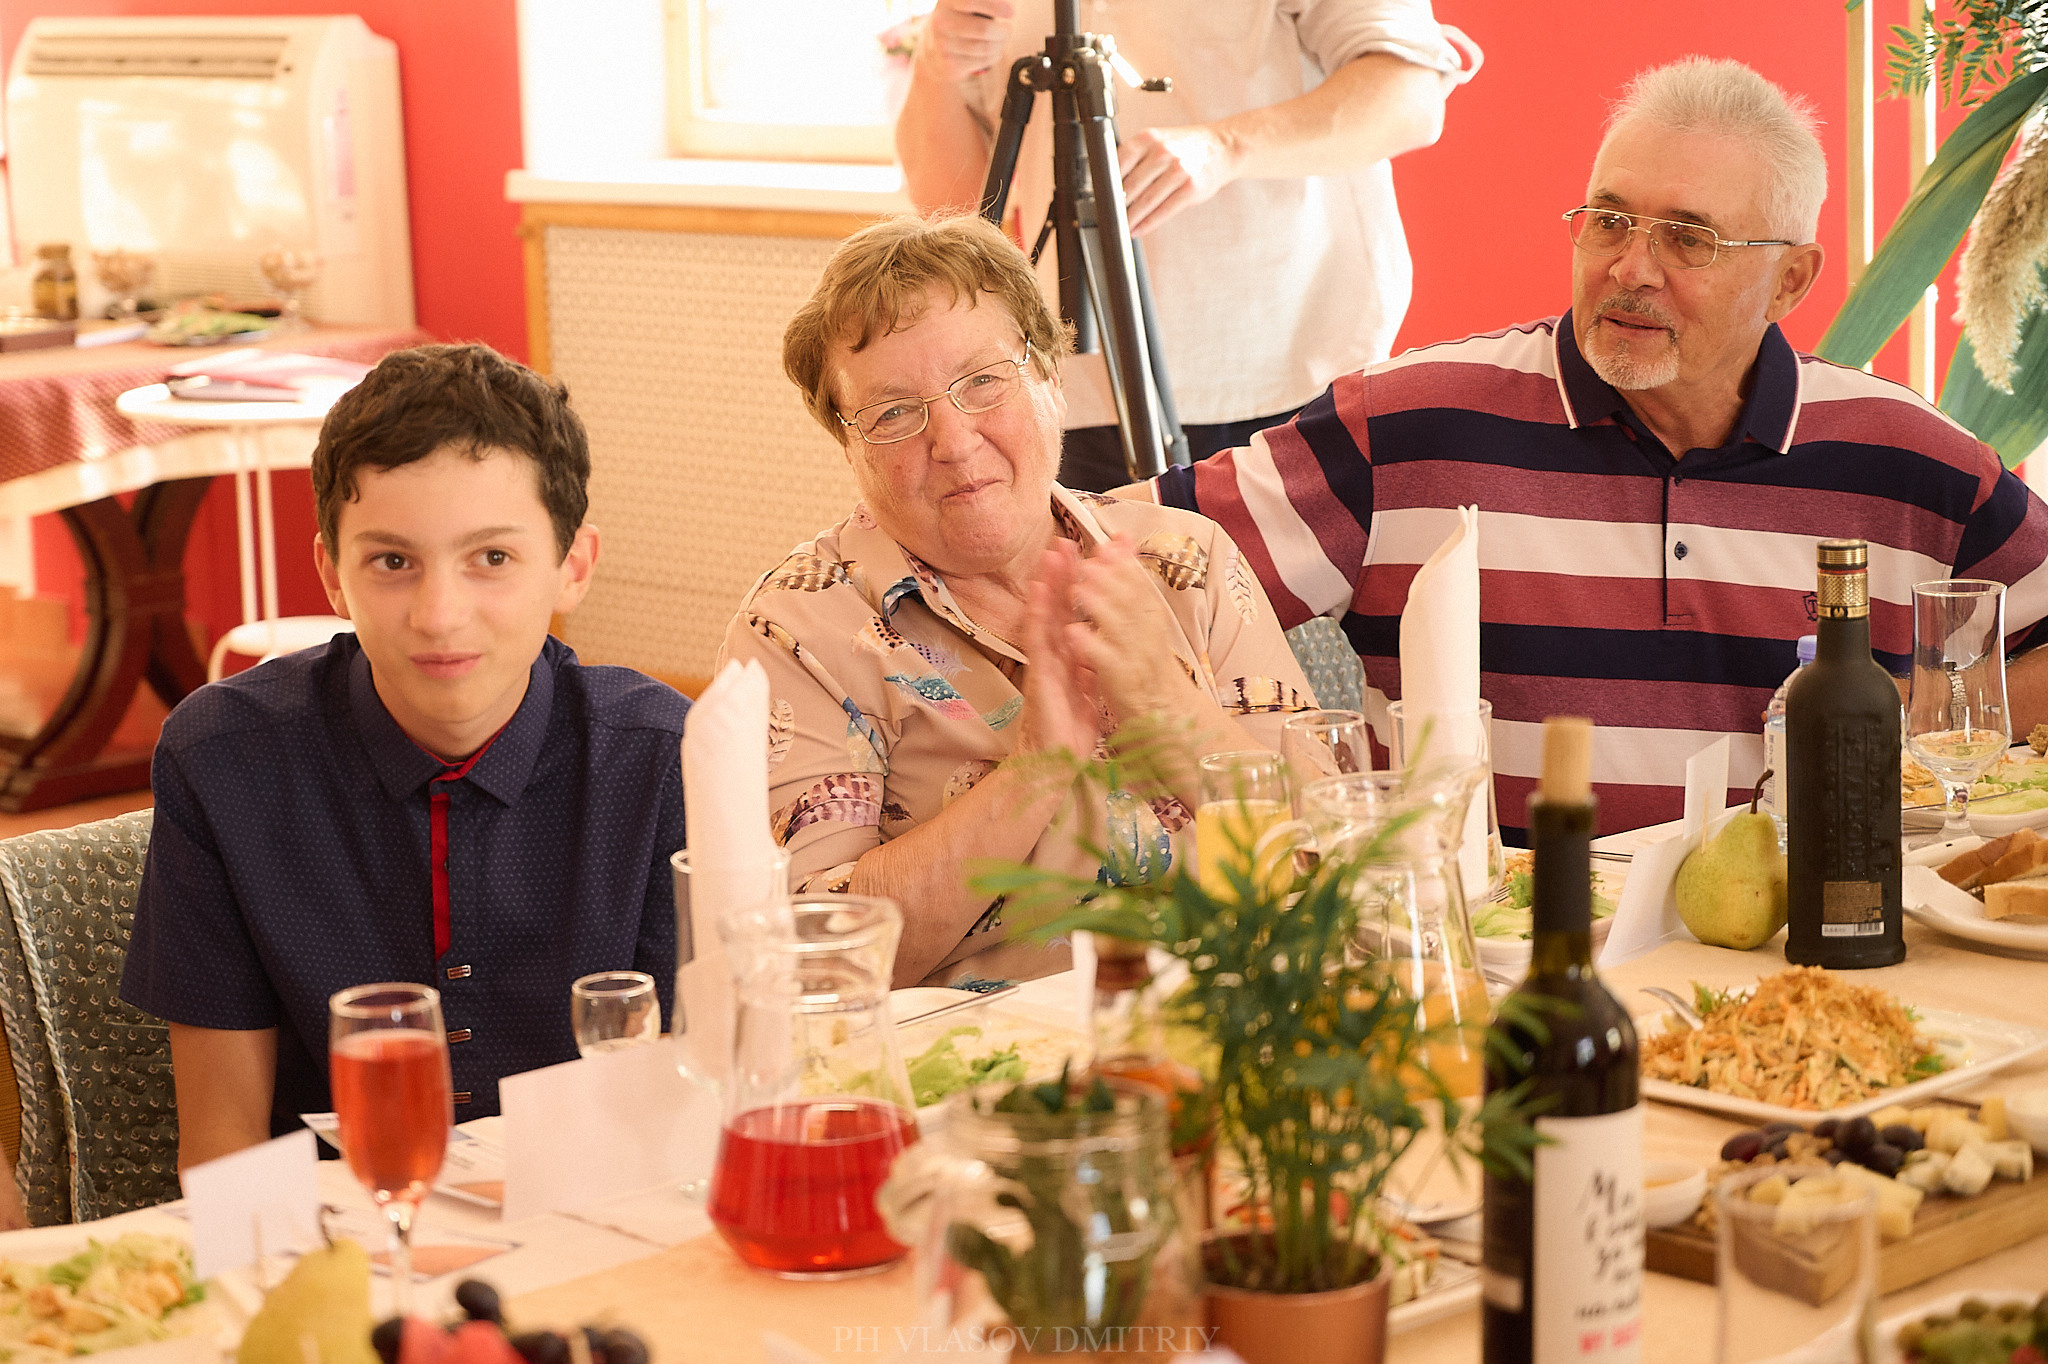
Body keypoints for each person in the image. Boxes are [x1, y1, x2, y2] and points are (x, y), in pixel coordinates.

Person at [1135, 57, 2048, 838]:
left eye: (1688, 238)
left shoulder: (1905, 459)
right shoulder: (1413, 425)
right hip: (1494, 966)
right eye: (1609, 219)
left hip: (1802, 957)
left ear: (1790, 280)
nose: (1630, 267)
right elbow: (1126, 545)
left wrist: (1922, 735)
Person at [121, 344, 689, 1168]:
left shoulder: (660, 758)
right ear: (332, 573)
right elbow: (221, 1143)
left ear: (573, 566)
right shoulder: (221, 763)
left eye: (491, 558)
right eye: (393, 562)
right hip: (337, 1243)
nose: (439, 615)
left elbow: (693, 1099)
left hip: (603, 1215)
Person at [720, 213, 1313, 989]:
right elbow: (816, 965)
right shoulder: (797, 627)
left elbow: (1334, 859)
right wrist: (1035, 769)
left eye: (982, 382)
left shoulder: (1184, 562)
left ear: (1051, 382)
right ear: (848, 444)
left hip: (1235, 1020)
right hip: (973, 1080)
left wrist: (1170, 709)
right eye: (893, 412)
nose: (954, 440)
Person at [896, 0, 1476, 491]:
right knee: (1107, 616)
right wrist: (935, 69)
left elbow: (1409, 95)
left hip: (1290, 368)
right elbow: (955, 205)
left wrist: (1224, 147)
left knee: (1281, 621)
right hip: (1076, 379)